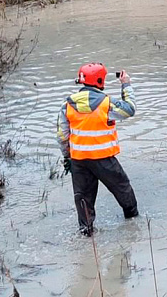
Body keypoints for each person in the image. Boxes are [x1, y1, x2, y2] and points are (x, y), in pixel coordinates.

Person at [57, 62, 139, 236]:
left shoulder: (67, 105)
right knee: (125, 194)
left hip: (79, 162)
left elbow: (62, 137)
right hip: (105, 161)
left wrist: (67, 157)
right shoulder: (107, 103)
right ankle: (134, 230)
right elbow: (130, 110)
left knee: (84, 204)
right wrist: (126, 84)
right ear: (100, 80)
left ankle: (87, 241)